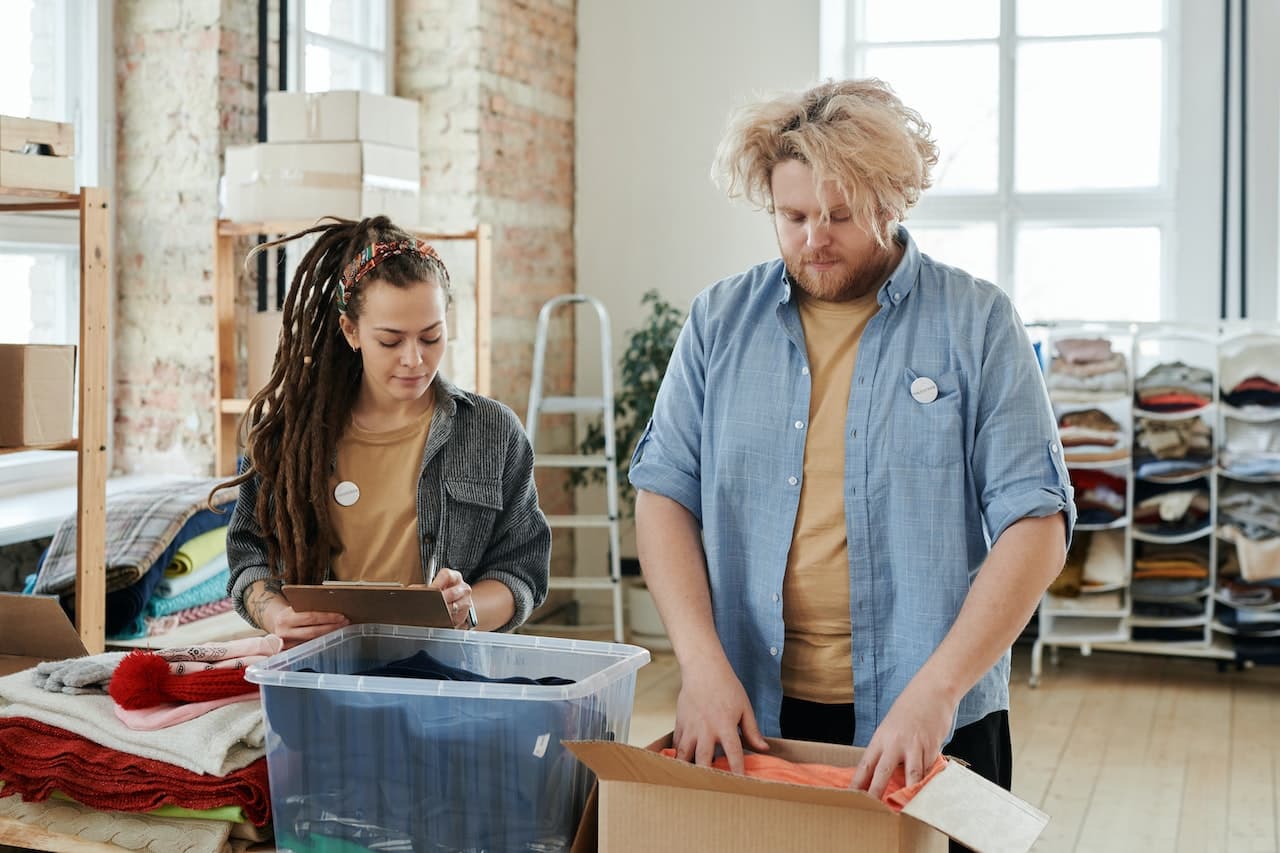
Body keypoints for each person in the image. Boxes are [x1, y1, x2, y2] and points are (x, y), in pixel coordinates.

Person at [629, 78, 1074, 806]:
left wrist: (938, 690)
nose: (813, 239)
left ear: (892, 201)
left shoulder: (978, 323)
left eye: (839, 215)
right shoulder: (718, 321)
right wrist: (701, 665)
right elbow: (664, 492)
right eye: (793, 215)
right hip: (751, 710)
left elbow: (1037, 522)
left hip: (935, 712)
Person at [221, 216, 551, 648]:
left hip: (449, 677)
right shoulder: (289, 435)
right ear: (351, 331)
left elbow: (521, 570)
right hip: (324, 671)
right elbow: (250, 556)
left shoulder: (493, 432)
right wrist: (278, 616)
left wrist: (465, 610)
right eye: (391, 341)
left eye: (431, 337)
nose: (414, 359)